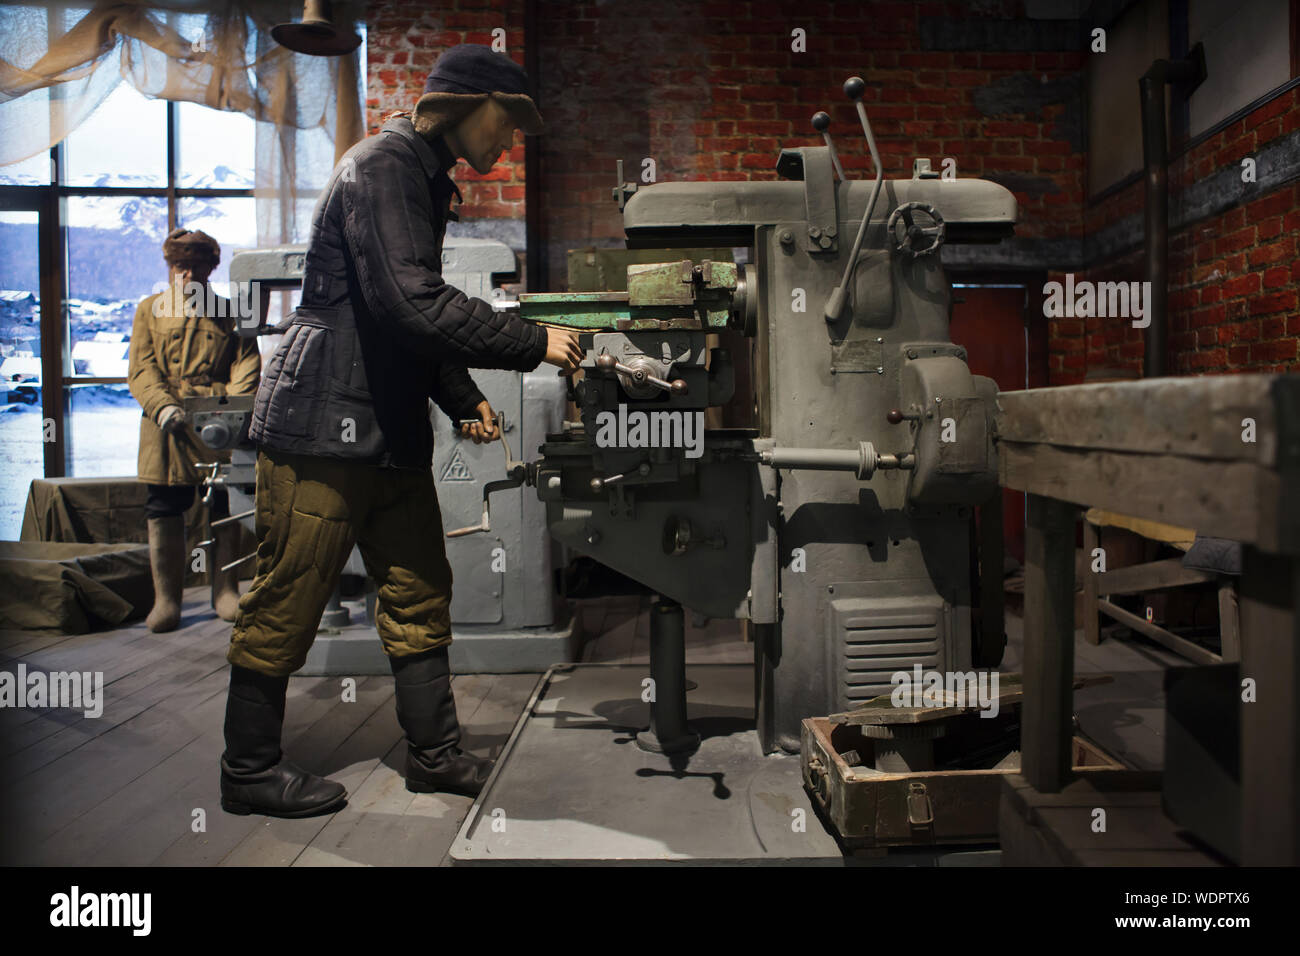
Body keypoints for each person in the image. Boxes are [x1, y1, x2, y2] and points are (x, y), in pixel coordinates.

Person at [218, 44, 584, 819]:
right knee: (289, 597)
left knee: (420, 592)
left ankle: (434, 756)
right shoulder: (385, 167)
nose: (511, 142)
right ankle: (247, 770)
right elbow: (411, 305)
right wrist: (530, 341)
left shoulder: (417, 174)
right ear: (469, 106)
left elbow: (404, 312)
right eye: (509, 123)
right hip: (324, 425)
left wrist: (457, 395)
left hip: (385, 427)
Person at [127, 228, 261, 632]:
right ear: (169, 268)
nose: (186, 277)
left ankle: (225, 591)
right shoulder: (149, 310)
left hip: (218, 427)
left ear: (211, 269)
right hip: (165, 429)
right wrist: (162, 405)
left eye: (195, 267)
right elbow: (140, 367)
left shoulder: (232, 312)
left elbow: (246, 365)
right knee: (164, 507)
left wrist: (228, 413)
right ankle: (167, 600)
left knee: (224, 508)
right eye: (179, 267)